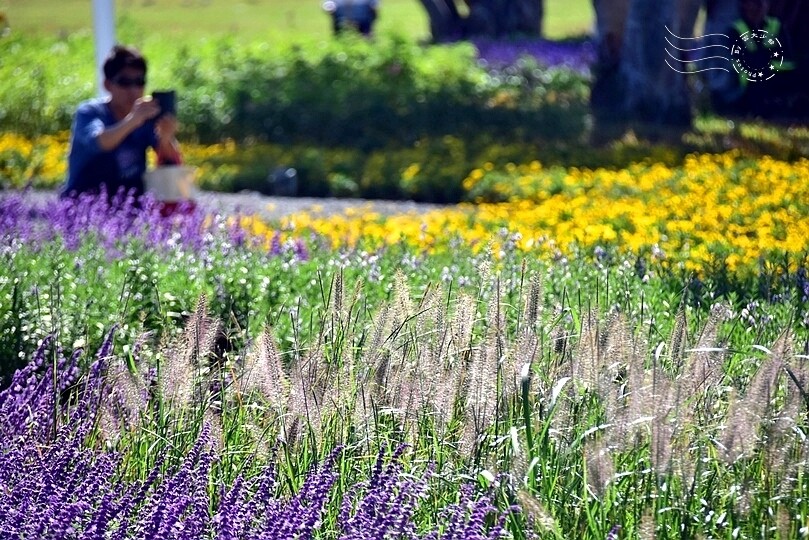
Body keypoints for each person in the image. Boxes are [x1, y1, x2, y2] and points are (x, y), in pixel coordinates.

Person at [61, 45, 182, 202]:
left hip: (130, 206)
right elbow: (100, 142)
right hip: (85, 205)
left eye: (139, 82)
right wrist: (133, 120)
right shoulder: (90, 112)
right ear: (107, 85)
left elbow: (170, 159)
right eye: (125, 82)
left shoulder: (145, 116)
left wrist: (166, 137)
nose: (133, 89)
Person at [710, 0, 800, 119]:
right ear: (744, 6)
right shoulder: (736, 30)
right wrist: (766, 58)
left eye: (761, 3)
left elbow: (788, 62)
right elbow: (741, 64)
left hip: (777, 81)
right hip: (745, 89)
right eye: (752, 3)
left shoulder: (776, 26)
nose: (757, 8)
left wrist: (764, 62)